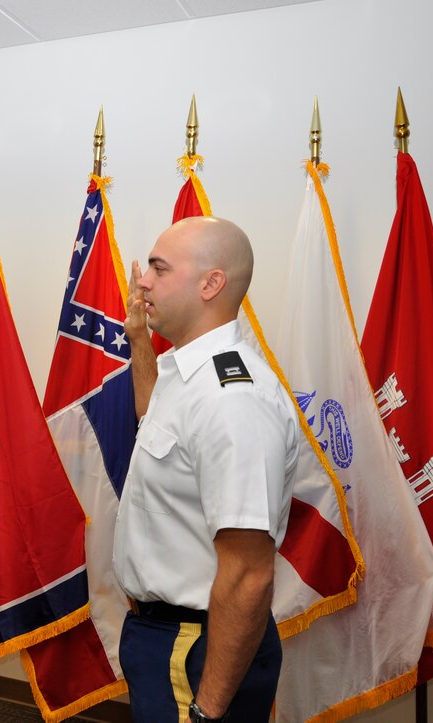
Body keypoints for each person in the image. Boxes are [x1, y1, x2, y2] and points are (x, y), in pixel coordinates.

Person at [113, 216, 299, 722]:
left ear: (211, 284)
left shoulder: (232, 400)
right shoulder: (190, 372)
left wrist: (208, 712)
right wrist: (139, 342)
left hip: (198, 651)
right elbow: (160, 426)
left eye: (159, 267)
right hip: (167, 639)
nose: (142, 280)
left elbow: (248, 574)